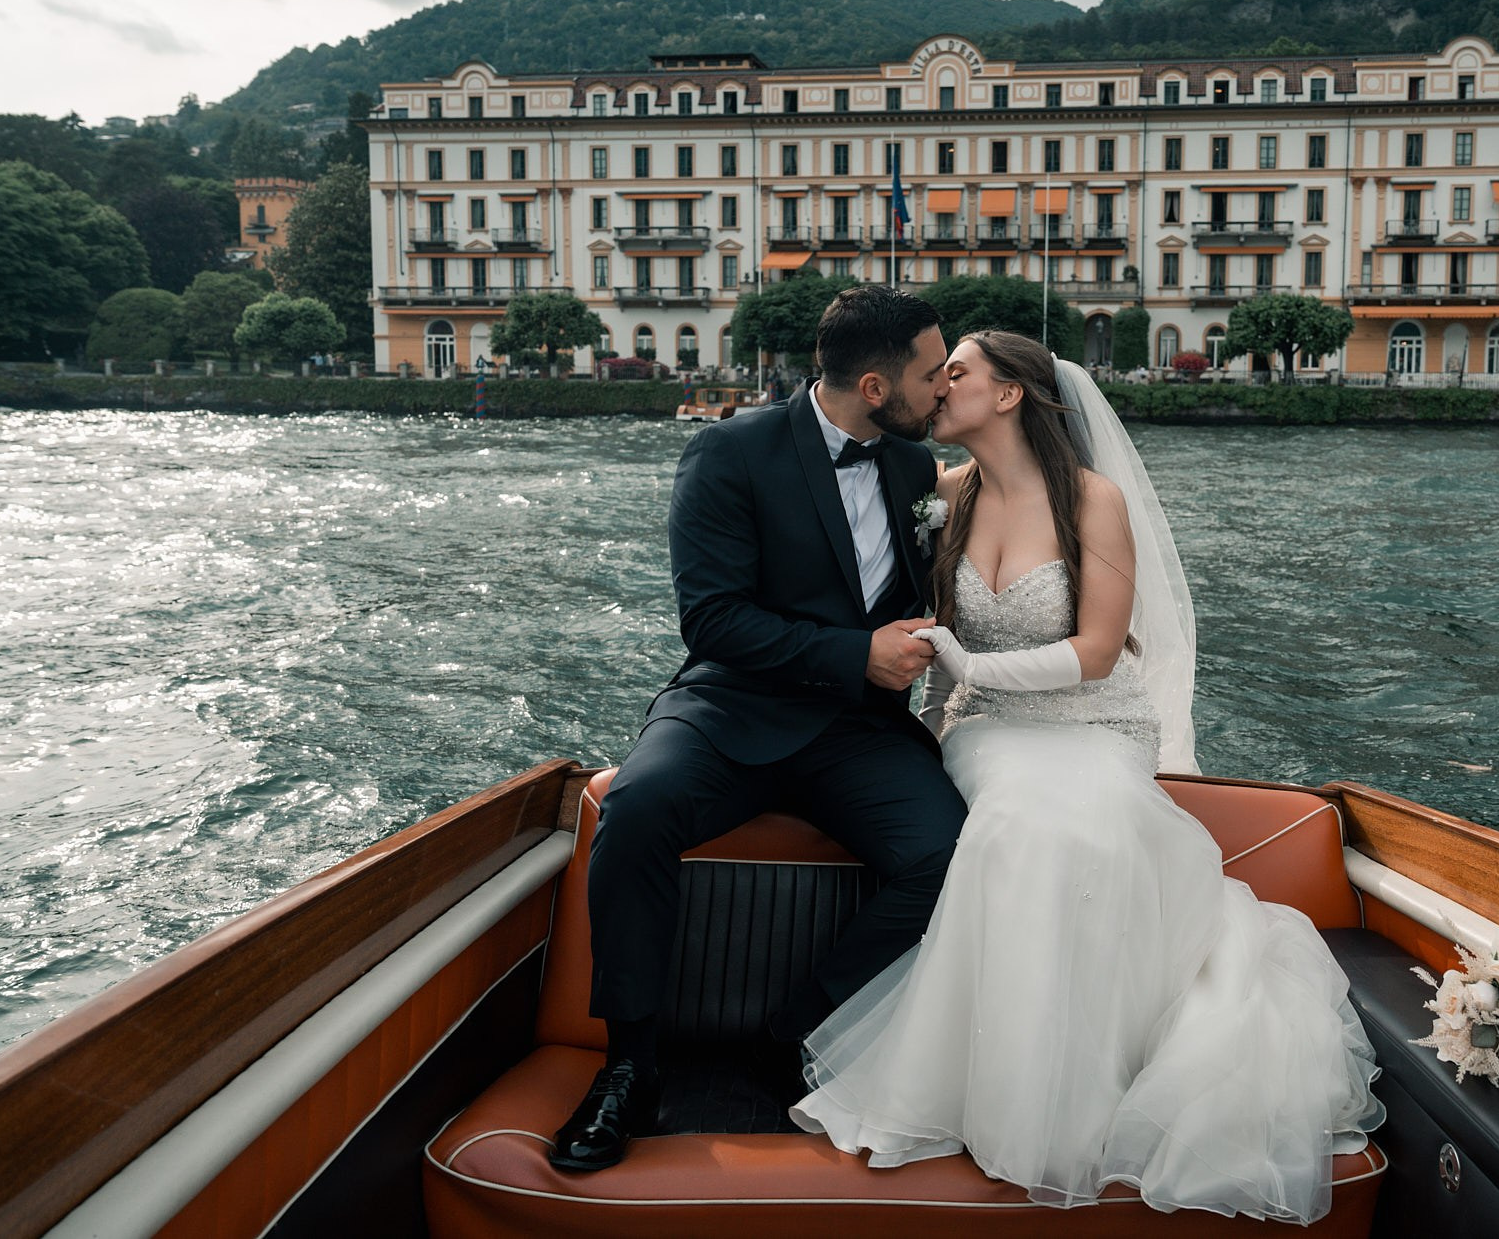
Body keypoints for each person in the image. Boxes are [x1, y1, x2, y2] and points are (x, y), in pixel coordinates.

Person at [791, 330, 1384, 1223]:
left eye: (957, 373)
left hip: (1092, 719)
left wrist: (966, 658)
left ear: (1009, 395)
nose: (937, 387)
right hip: (984, 730)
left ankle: (1093, 1087)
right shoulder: (940, 491)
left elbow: (1100, 654)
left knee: (1097, 817)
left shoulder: (1092, 501)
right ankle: (999, 1090)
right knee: (1019, 823)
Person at [550, 285, 967, 1171]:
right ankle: (629, 1067)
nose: (945, 387)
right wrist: (856, 653)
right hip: (732, 704)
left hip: (855, 731)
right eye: (933, 373)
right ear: (875, 384)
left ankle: (799, 1027)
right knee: (637, 808)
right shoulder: (728, 451)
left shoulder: (912, 470)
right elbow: (712, 620)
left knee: (950, 852)